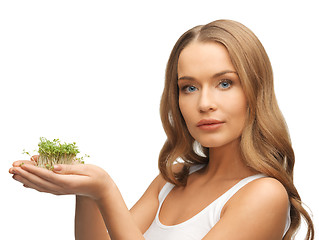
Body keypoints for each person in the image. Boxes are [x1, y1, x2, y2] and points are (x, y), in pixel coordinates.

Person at [9, 19, 314, 240]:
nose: (205, 103)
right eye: (189, 87)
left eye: (224, 83)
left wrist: (105, 190)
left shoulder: (264, 195)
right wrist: (87, 192)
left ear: (255, 90)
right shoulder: (173, 180)